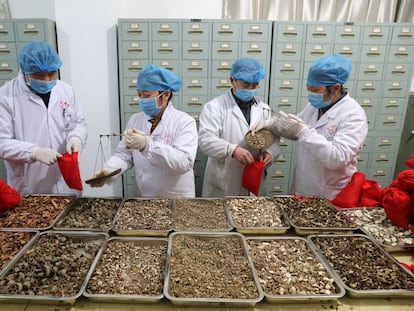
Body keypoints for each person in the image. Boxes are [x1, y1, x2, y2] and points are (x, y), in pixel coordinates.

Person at [251, 54, 368, 199]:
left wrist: (304, 132)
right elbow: (293, 128)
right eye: (309, 88)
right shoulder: (313, 107)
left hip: (331, 193)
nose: (311, 94)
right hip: (303, 185)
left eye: (316, 90)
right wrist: (272, 123)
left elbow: (338, 158)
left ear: (336, 88)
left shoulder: (353, 115)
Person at [88, 64, 198, 198]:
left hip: (175, 198)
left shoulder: (184, 122)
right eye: (139, 95)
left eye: (147, 95)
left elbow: (183, 163)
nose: (142, 100)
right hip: (143, 196)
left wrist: (148, 146)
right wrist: (108, 171)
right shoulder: (135, 120)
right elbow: (124, 155)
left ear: (166, 95)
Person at [0, 41, 87, 196]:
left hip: (65, 180)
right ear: (24, 72)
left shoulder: (65, 90)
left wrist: (76, 138)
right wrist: (34, 152)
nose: (47, 80)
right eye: (39, 75)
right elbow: (2, 142)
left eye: (52, 73)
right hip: (30, 183)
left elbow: (78, 122)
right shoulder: (6, 97)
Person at [198, 58, 280, 197]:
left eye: (254, 85)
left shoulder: (264, 109)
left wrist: (270, 152)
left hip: (253, 178)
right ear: (232, 80)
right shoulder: (215, 107)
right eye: (245, 84)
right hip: (224, 179)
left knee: (251, 216)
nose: (250, 89)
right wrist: (232, 149)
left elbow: (273, 137)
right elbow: (206, 140)